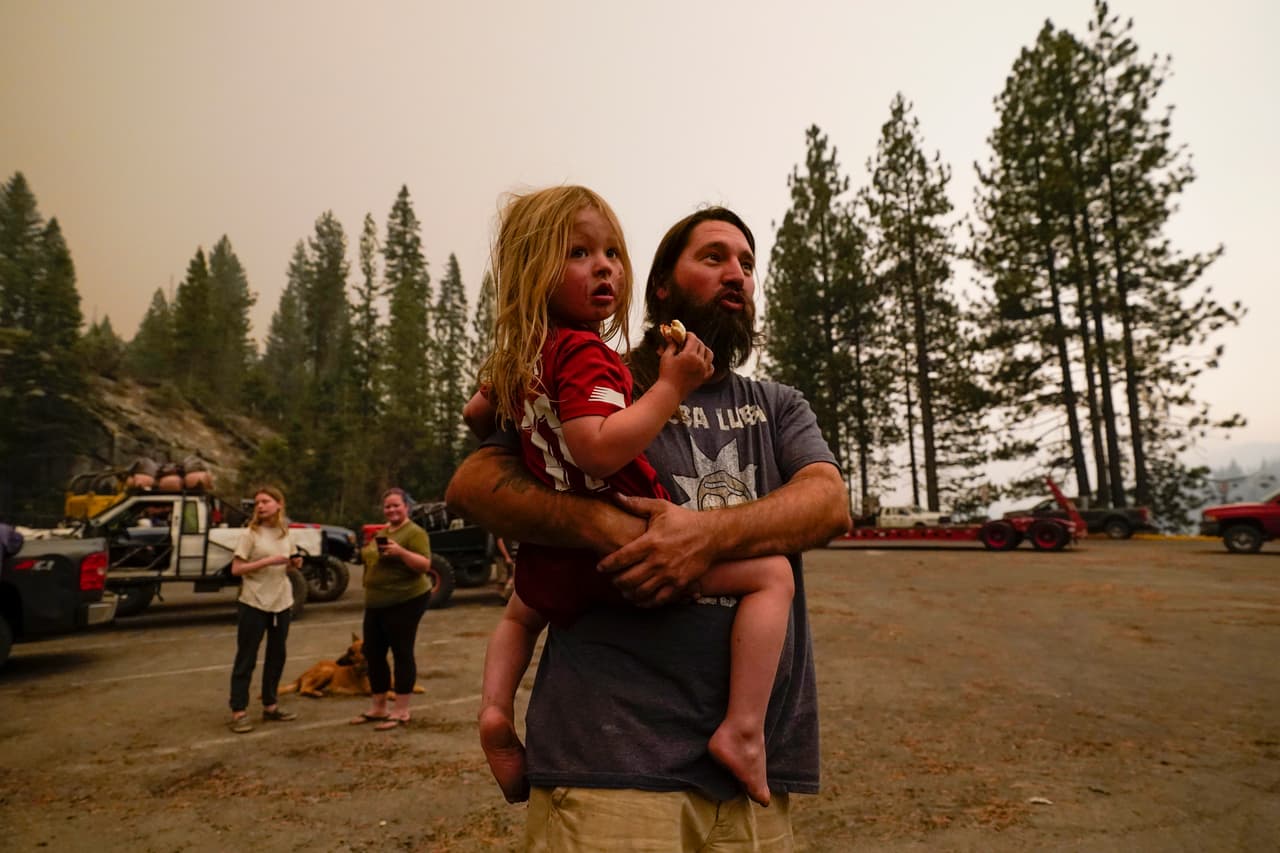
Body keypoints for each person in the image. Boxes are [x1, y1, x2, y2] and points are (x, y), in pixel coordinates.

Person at [447, 206, 850, 850]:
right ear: (660, 285)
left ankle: (740, 728)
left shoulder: (776, 406)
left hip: (754, 778)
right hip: (610, 763)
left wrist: (702, 536)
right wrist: (605, 526)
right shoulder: (596, 377)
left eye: (747, 263)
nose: (737, 274)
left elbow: (828, 505)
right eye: (714, 257)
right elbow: (472, 485)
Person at [351, 487, 433, 731]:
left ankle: (401, 710)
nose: (392, 509)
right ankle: (378, 707)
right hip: (376, 603)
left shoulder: (414, 533)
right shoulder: (383, 532)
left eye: (396, 505)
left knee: (401, 652)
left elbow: (424, 564)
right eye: (388, 506)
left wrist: (400, 552)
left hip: (406, 600)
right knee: (374, 653)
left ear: (406, 507)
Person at [227, 485, 302, 734]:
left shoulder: (285, 533)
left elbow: (287, 565)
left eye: (266, 501)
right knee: (246, 657)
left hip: (281, 601)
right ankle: (239, 711)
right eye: (258, 502)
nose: (260, 506)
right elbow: (236, 570)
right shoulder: (251, 534)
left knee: (276, 655)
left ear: (279, 505)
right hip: (254, 601)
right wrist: (267, 561)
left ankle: (270, 705)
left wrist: (294, 563)